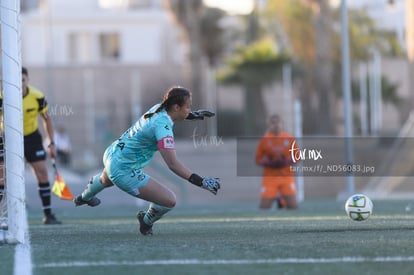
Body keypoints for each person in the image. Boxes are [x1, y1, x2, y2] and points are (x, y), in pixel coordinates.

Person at [73, 86, 220, 236]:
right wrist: (201, 182)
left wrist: (191, 115)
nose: (189, 109)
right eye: (188, 107)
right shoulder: (163, 128)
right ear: (176, 107)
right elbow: (173, 164)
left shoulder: (158, 108)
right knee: (169, 200)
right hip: (123, 169)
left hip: (113, 153)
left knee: (106, 178)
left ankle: (83, 197)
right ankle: (146, 220)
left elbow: (172, 114)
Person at [0, 67, 61, 224]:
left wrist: (51, 143)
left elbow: (47, 119)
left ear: (27, 80)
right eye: (17, 80)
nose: (20, 83)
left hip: (31, 138)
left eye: (23, 80)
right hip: (8, 138)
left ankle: (48, 215)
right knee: (2, 177)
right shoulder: (4, 96)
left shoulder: (38, 96)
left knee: (42, 173)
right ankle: (2, 215)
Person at [255, 114, 298, 210]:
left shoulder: (289, 138)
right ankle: (279, 199)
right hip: (270, 178)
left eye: (277, 122)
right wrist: (270, 163)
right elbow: (258, 160)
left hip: (286, 177)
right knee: (264, 208)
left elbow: (297, 157)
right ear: (269, 125)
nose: (276, 125)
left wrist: (286, 162)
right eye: (273, 123)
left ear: (282, 124)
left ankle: (281, 200)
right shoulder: (264, 140)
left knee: (293, 207)